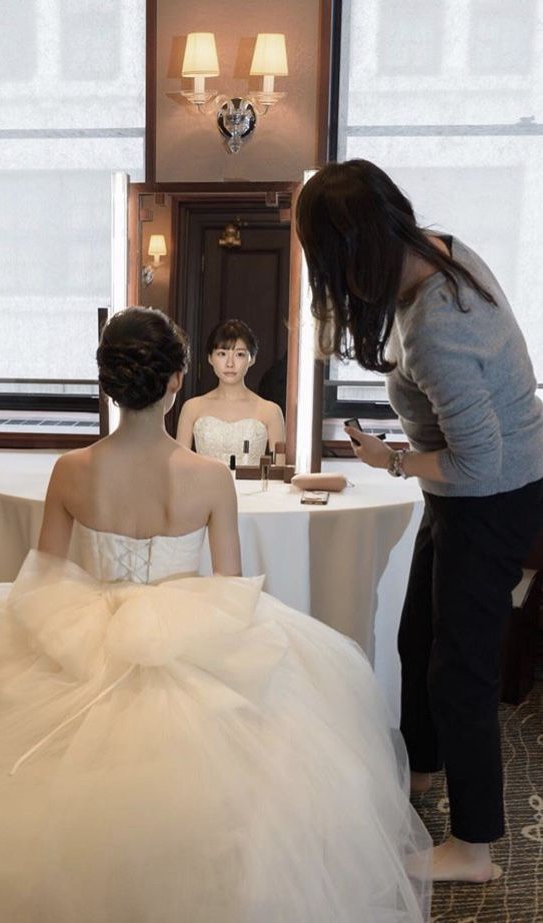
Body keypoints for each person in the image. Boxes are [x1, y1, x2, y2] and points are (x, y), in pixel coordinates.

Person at [0, 307, 430, 923]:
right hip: (185, 628)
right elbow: (229, 588)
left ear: (109, 384)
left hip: (82, 622)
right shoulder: (209, 477)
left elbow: (44, 576)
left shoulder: (70, 470)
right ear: (177, 380)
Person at [296, 158, 543, 884]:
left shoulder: (437, 322)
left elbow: (478, 460)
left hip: (492, 495)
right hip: (466, 492)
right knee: (417, 636)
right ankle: (423, 771)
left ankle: (474, 847)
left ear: (352, 250)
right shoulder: (439, 250)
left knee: (460, 668)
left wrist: (393, 460)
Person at [176, 319, 285, 464]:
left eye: (239, 354)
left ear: (252, 359)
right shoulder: (192, 408)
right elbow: (180, 466)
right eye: (222, 354)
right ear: (210, 358)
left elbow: (279, 469)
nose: (230, 363)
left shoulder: (270, 411)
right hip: (203, 480)